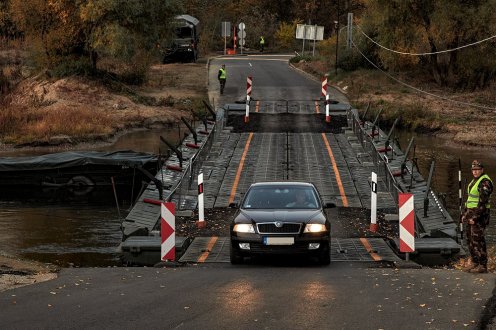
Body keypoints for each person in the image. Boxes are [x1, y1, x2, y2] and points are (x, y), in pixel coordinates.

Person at [462, 160, 493, 273]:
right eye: (473, 170)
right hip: (470, 214)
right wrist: (465, 214)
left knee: (478, 240)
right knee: (470, 239)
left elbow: (483, 203)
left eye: (477, 170)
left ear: (482, 170)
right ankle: (475, 261)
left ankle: (483, 265)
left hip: (479, 215)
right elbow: (470, 200)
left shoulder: (485, 182)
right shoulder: (474, 181)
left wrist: (474, 218)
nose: (475, 172)